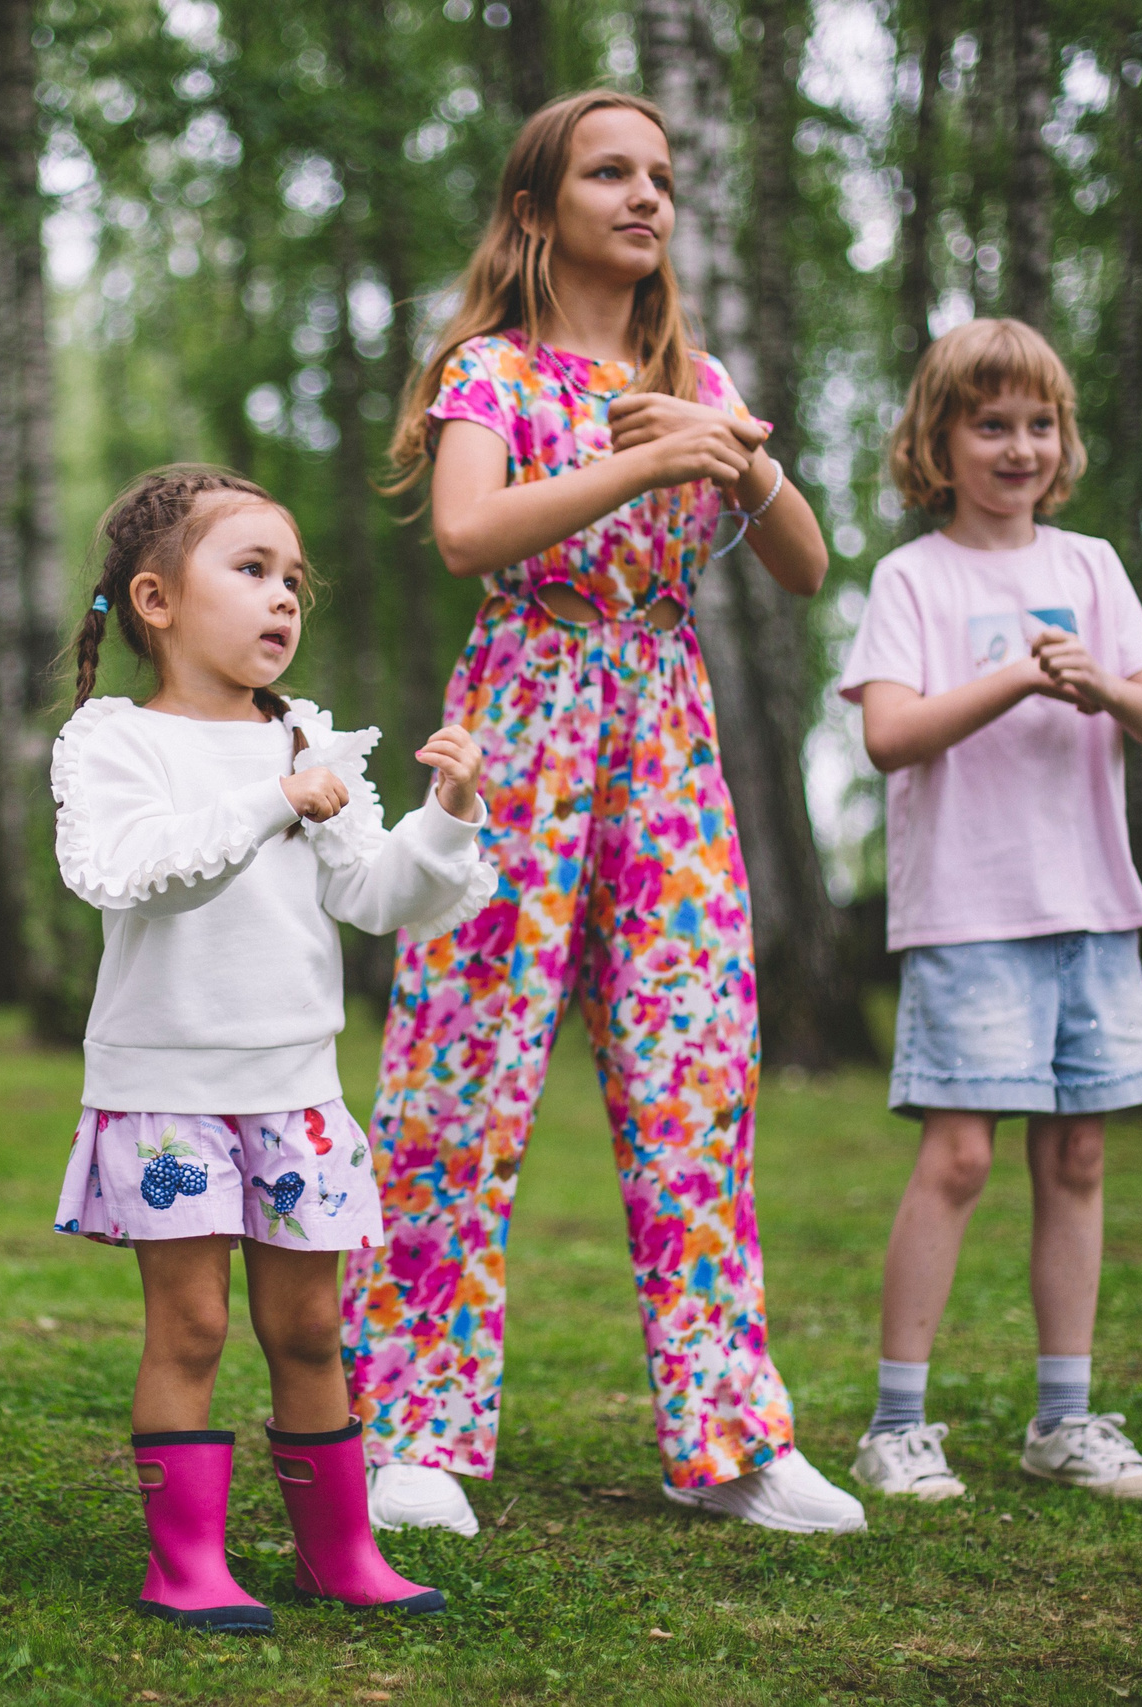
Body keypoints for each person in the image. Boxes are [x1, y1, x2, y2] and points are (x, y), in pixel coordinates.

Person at [345, 90, 864, 1538]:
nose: (648, 197)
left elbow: (809, 564)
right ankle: (413, 1430)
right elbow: (467, 533)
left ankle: (732, 1439)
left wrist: (729, 443)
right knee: (462, 1073)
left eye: (663, 177)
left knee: (696, 1070)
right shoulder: (491, 370)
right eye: (611, 172)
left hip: (666, 731)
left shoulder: (697, 372)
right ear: (537, 209)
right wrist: (642, 457)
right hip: (519, 723)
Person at [50, 466, 496, 1633]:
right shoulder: (114, 742)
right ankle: (185, 1565)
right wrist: (269, 802)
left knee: (307, 1327)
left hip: (293, 1092)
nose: (283, 598)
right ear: (154, 599)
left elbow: (375, 893)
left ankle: (339, 1554)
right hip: (165, 1094)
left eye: (293, 578)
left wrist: (445, 819)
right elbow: (131, 873)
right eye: (250, 570)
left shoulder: (308, 736)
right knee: (190, 1326)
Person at [837, 315, 1142, 1506]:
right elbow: (888, 736)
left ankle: (1067, 1419)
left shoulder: (1089, 566)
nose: (1018, 446)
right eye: (990, 424)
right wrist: (1017, 677)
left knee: (1078, 1154)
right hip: (966, 914)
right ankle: (896, 1424)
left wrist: (1103, 686)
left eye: (1039, 424)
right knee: (959, 1159)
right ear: (937, 441)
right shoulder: (911, 578)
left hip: (1092, 904)